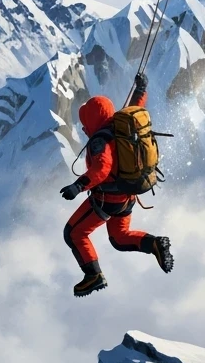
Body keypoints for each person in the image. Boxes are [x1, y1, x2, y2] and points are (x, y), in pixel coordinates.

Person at [60, 72, 174, 297]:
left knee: (73, 233)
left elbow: (101, 169)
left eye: (85, 122)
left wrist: (78, 186)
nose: (83, 128)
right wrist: (141, 89)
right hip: (127, 197)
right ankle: (154, 244)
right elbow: (134, 108)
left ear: (92, 120)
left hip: (107, 200)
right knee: (119, 238)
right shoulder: (121, 126)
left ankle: (93, 276)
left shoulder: (100, 141)